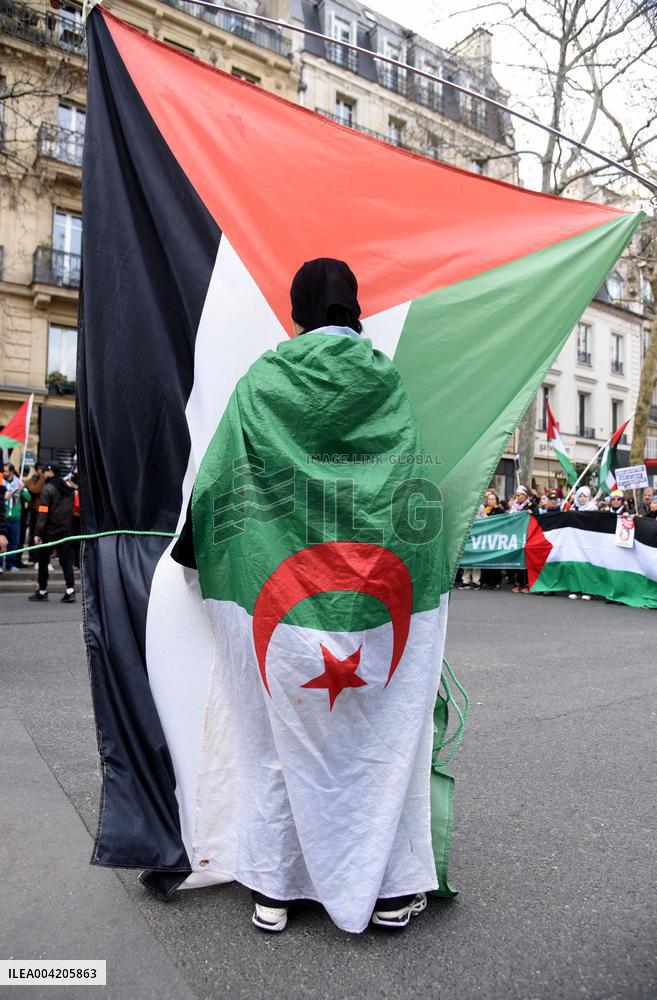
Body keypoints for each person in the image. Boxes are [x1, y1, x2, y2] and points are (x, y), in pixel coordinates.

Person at [170, 259, 440, 934]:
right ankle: (386, 889)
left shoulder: (264, 381)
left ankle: (274, 888)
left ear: (295, 311)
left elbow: (220, 475)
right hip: (376, 600)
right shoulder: (385, 382)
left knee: (270, 740)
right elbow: (411, 486)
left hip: (277, 595)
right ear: (353, 310)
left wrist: (190, 551)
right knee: (379, 739)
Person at [29, 463, 76, 603]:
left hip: (48, 531)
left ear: (51, 472)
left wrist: (37, 532)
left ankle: (42, 591)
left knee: (43, 561)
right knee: (66, 561)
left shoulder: (47, 488)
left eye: (47, 471)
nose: (44, 473)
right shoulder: (69, 489)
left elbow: (43, 512)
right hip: (65, 530)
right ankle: (70, 590)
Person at [507, 486, 538, 593]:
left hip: (527, 535)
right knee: (517, 559)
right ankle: (518, 583)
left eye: (519, 495)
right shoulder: (514, 507)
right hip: (516, 535)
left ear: (525, 495)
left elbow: (537, 516)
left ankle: (526, 584)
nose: (517, 497)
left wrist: (531, 513)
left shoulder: (532, 504)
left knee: (525, 560)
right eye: (516, 495)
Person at [2, 463, 29, 572]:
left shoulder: (20, 483)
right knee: (1, 543)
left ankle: (10, 564)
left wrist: (22, 490)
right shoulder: (1, 482)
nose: (4, 473)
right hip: (3, 518)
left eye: (6, 471)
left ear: (12, 471)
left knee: (14, 543)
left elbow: (28, 498)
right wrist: (5, 497)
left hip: (15, 519)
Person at [481, 487, 505, 590]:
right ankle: (486, 580)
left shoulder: (499, 510)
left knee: (495, 559)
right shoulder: (484, 510)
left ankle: (496, 581)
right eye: (489, 499)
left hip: (495, 537)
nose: (490, 500)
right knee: (485, 559)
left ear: (496, 500)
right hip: (485, 537)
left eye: (492, 499)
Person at [23, 462, 46, 559]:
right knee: (33, 533)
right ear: (36, 470)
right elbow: (36, 490)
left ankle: (40, 556)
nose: (42, 471)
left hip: (43, 511)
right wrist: (42, 477)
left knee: (42, 534)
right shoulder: (31, 481)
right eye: (41, 469)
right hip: (33, 511)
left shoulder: (45, 480)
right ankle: (32, 556)